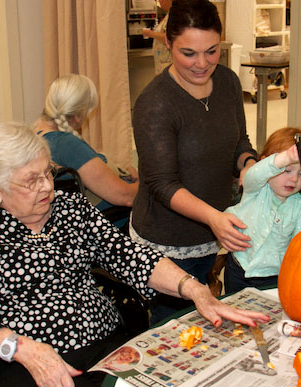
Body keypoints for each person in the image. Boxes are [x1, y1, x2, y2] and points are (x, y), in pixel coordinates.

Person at [0, 123, 270, 386]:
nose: (48, 187)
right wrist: (24, 349)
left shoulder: (71, 209)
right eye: (30, 181)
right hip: (21, 356)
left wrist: (195, 289)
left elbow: (129, 255)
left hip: (100, 339)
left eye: (47, 172)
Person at [131, 0, 257, 322]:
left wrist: (248, 164)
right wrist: (213, 217)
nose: (202, 63)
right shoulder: (155, 103)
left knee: (210, 322)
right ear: (168, 44)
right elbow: (162, 184)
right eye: (189, 53)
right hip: (167, 244)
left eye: (212, 51)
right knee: (177, 333)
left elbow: (239, 141)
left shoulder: (228, 82)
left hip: (213, 231)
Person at [224, 127, 301, 294]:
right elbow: (255, 174)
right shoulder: (256, 188)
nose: (294, 179)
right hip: (239, 271)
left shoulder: (297, 206)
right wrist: (285, 158)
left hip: (275, 276)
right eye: (286, 170)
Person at [33, 74, 138, 210]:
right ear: (78, 116)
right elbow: (125, 196)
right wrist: (144, 182)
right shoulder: (66, 144)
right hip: (109, 221)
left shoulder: (37, 138)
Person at [142, 0, 173, 74]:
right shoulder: (169, 15)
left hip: (168, 63)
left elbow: (169, 38)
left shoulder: (174, 16)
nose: (159, 1)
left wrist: (150, 33)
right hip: (162, 63)